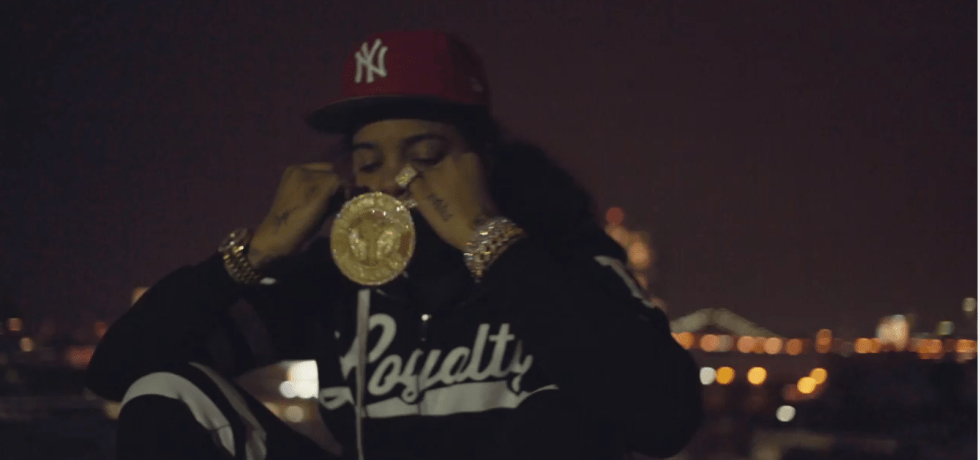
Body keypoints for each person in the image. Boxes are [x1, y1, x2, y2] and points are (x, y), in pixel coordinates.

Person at [86, 29, 703, 460]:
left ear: (481, 160)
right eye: (369, 162)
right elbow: (119, 372)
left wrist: (491, 244)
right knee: (167, 395)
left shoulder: (560, 260)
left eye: (426, 156)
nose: (395, 182)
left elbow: (664, 418)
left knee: (565, 411)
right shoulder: (334, 283)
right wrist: (255, 254)